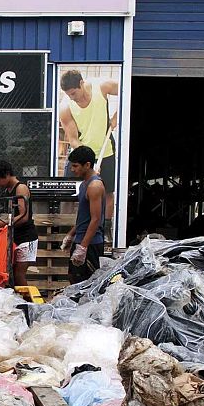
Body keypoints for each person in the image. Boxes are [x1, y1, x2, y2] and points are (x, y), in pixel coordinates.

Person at [0, 161, 37, 288]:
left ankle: (27, 299)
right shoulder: (7, 190)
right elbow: (9, 216)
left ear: (7, 174)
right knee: (11, 273)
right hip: (13, 237)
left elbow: (23, 217)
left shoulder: (20, 188)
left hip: (26, 238)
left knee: (19, 275)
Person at [58, 69, 120, 167]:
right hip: (81, 155)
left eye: (73, 93)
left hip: (106, 152)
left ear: (81, 83)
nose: (71, 98)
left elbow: (127, 89)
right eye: (68, 95)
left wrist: (116, 118)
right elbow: (74, 140)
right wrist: (90, 163)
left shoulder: (101, 86)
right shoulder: (65, 108)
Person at [66, 145, 106, 284]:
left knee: (87, 283)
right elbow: (84, 216)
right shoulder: (84, 184)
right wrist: (71, 234)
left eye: (75, 166)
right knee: (74, 279)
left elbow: (95, 219)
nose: (72, 169)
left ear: (87, 165)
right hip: (80, 239)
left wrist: (83, 247)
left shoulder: (95, 186)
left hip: (91, 244)